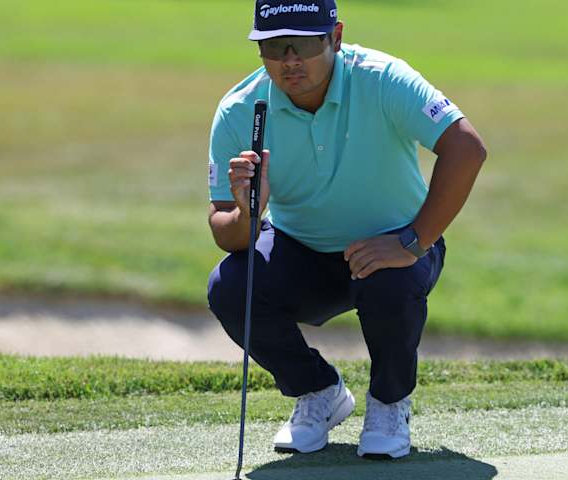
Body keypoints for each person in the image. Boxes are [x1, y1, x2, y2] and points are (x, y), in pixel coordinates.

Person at [206, 0, 487, 459]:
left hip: (395, 244)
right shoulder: (240, 110)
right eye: (274, 47)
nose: (289, 61)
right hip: (300, 249)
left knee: (390, 282)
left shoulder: (382, 78)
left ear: (335, 38)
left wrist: (413, 241)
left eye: (302, 45)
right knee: (230, 286)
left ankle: (389, 404)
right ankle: (318, 391)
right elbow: (225, 232)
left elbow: (466, 147)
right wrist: (248, 211)